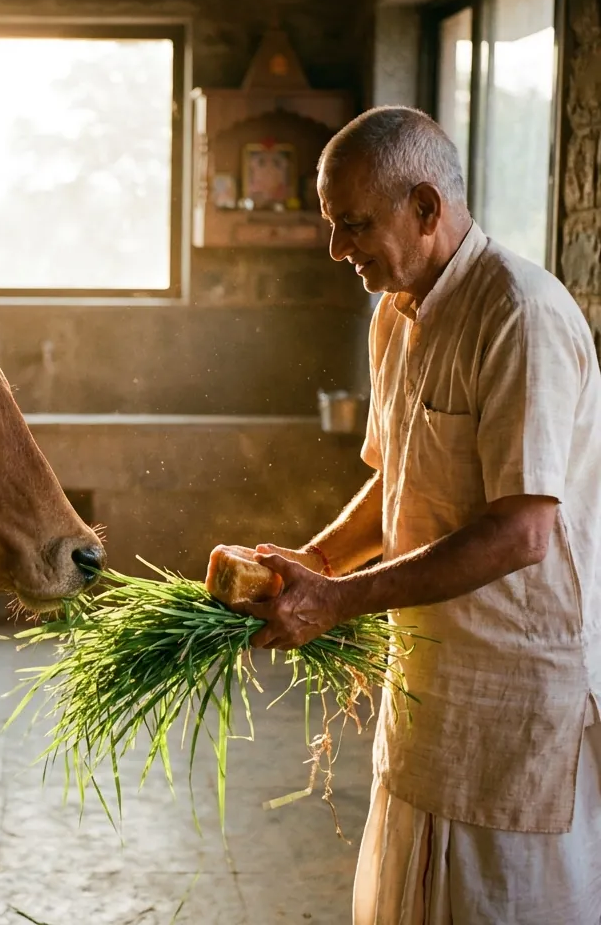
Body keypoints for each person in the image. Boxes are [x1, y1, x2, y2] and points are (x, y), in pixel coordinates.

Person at [229, 106, 601, 924]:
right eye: (331, 225)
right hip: (428, 676)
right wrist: (317, 563)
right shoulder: (395, 313)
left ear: (427, 209)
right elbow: (398, 476)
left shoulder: (519, 314)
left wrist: (339, 602)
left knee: (502, 901)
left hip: (511, 688)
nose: (337, 250)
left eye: (353, 224)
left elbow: (523, 531)